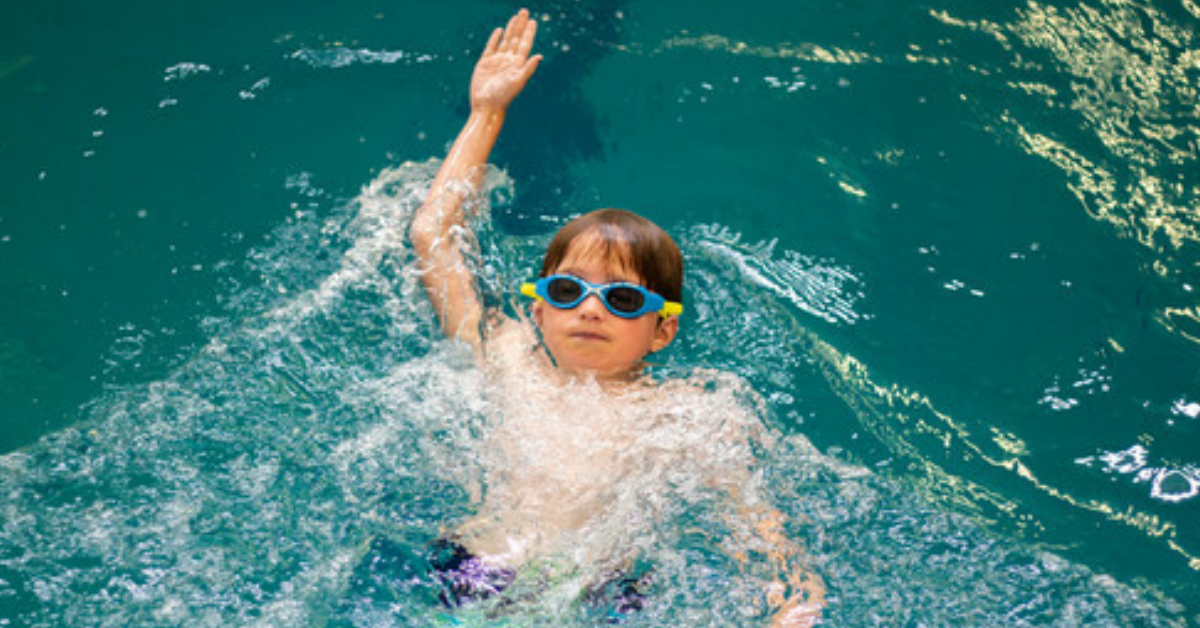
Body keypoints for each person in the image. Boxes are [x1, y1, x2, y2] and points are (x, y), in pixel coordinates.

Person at [409, 9, 825, 626]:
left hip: (602, 592)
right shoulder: (507, 358)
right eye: (568, 290)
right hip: (478, 573)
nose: (592, 307)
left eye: (624, 299)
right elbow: (433, 236)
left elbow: (751, 514)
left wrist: (790, 586)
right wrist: (486, 114)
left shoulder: (689, 411)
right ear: (538, 309)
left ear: (663, 331)